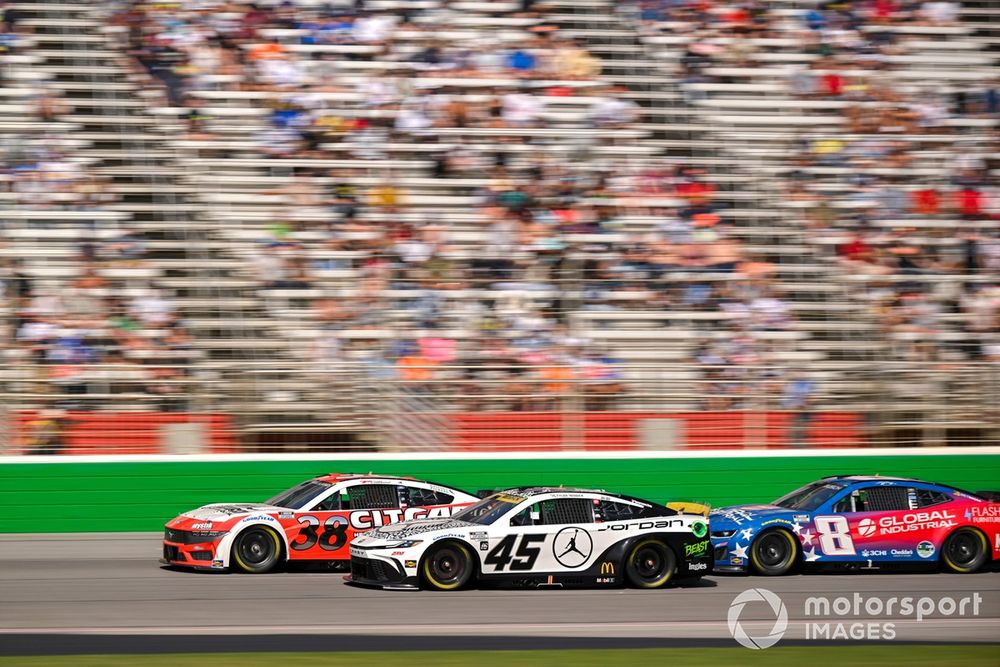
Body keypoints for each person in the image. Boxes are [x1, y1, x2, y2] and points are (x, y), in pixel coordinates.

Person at [782, 373, 816, 447]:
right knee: (796, 428)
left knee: (801, 428)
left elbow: (810, 398)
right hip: (796, 412)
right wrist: (794, 406)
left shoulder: (804, 385)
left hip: (803, 412)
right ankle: (795, 444)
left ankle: (799, 444)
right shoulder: (790, 387)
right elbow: (785, 402)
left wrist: (805, 403)